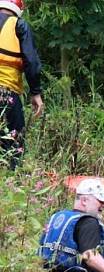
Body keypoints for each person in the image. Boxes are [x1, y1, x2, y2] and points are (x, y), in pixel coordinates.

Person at [0, 0, 43, 169]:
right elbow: (31, 61)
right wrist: (36, 92)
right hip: (6, 92)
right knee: (14, 144)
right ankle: (12, 181)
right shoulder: (19, 25)